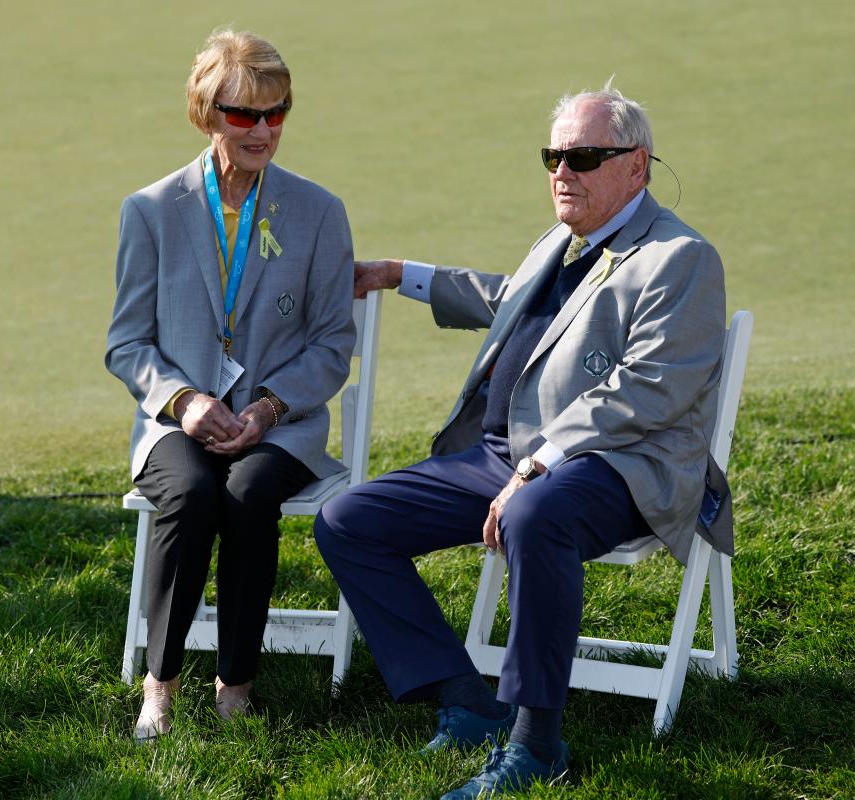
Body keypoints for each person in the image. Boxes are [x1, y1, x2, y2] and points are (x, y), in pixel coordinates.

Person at [314, 85, 733, 798]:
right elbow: (510, 300)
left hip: (619, 465)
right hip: (506, 457)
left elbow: (650, 389)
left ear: (637, 166)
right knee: (348, 521)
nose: (562, 172)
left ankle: (536, 744)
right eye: (553, 156)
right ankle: (465, 700)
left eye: (583, 157)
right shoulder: (562, 240)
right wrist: (401, 275)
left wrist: (539, 463)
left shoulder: (681, 257)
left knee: (534, 513)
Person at [105, 29, 355, 741]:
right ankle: (160, 685)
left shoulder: (320, 211)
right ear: (205, 113)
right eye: (245, 114)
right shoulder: (150, 210)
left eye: (277, 112)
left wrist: (270, 407)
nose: (263, 130)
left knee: (247, 496)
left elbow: (333, 343)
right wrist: (183, 402)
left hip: (282, 422)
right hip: (175, 423)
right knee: (190, 495)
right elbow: (126, 343)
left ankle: (235, 686)